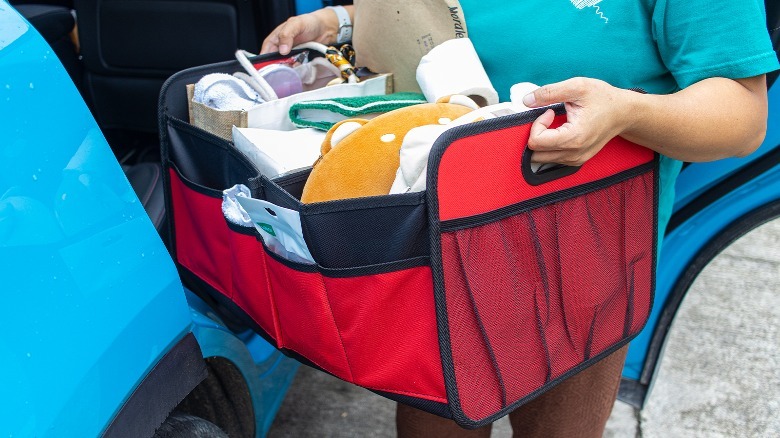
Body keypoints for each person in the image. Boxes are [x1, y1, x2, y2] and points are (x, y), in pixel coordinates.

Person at [262, 1, 779, 436]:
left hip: (580, 261)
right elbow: (438, 16)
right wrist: (341, 23)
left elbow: (742, 116)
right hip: (434, 246)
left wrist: (626, 113)